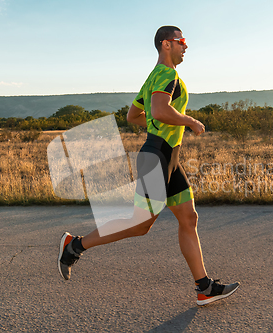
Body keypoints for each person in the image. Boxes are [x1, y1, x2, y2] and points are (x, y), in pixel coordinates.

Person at [58, 25, 239, 306]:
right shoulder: (167, 74)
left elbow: (134, 115)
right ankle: (74, 245)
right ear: (166, 44)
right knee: (139, 225)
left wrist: (157, 126)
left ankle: (204, 287)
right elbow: (158, 110)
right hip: (157, 157)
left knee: (188, 218)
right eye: (182, 41)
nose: (186, 46)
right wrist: (189, 121)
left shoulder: (152, 77)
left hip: (168, 158)